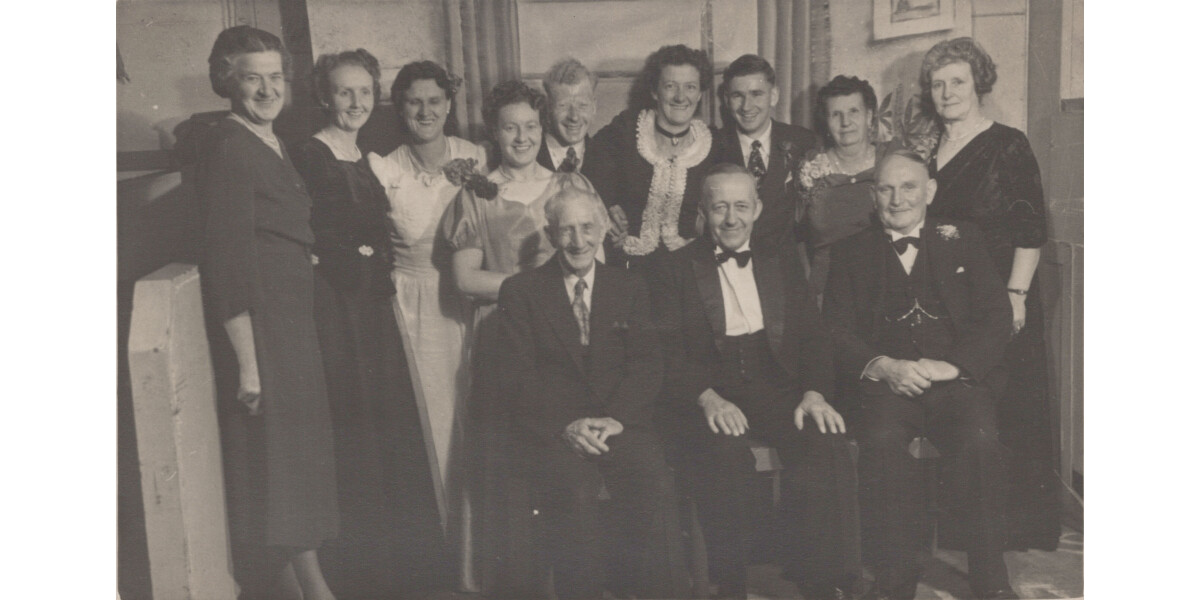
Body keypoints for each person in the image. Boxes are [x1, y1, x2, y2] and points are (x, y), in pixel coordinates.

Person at [652, 164, 864, 600]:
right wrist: (706, 398)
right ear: (703, 211)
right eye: (720, 207)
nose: (731, 219)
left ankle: (822, 581)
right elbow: (663, 350)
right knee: (725, 455)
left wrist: (814, 392)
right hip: (708, 389)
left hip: (776, 385)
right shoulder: (673, 268)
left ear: (759, 208)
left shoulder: (781, 259)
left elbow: (812, 337)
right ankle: (730, 585)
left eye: (742, 206)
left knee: (825, 442)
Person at [823, 149, 1015, 600]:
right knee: (881, 444)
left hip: (955, 384)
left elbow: (996, 316)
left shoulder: (963, 238)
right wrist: (883, 366)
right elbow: (834, 328)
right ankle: (893, 581)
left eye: (908, 187)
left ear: (929, 191)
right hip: (888, 388)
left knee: (981, 442)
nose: (897, 198)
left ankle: (992, 584)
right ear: (873, 195)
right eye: (886, 188)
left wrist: (953, 366)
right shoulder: (850, 252)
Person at [443, 80, 601, 596]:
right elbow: (466, 280)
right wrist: (532, 292)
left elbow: (594, 268)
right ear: (494, 130)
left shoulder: (572, 187)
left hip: (568, 338)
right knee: (512, 467)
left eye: (531, 126)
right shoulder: (476, 194)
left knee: (568, 459)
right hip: (503, 340)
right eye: (510, 127)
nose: (522, 136)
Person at [196, 25, 338, 600]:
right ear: (229, 81)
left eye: (275, 77)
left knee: (295, 467)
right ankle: (309, 592)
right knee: (283, 467)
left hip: (292, 324)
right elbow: (226, 265)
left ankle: (312, 588)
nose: (266, 89)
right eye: (252, 77)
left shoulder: (269, 140)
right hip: (267, 333)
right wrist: (249, 365)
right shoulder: (229, 146)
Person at [495, 187, 689, 600]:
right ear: (549, 234)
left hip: (620, 423)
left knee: (653, 480)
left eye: (587, 228)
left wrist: (617, 418)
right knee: (575, 492)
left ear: (603, 229)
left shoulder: (630, 287)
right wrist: (564, 426)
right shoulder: (521, 290)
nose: (579, 241)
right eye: (567, 230)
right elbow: (516, 378)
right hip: (554, 430)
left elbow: (647, 364)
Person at [920, 36, 1059, 550]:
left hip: (1004, 292)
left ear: (978, 83)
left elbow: (1031, 229)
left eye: (957, 81)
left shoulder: (1007, 142)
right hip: (952, 300)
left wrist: (1016, 295)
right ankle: (966, 530)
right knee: (967, 409)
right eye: (938, 84)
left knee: (1009, 409)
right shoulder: (930, 147)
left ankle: (1012, 529)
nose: (948, 92)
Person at [292, 48, 416, 595]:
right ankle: (362, 576)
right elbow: (309, 237)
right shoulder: (311, 154)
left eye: (365, 92)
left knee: (382, 425)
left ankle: (392, 571)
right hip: (338, 310)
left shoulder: (363, 153)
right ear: (324, 95)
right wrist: (357, 262)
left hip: (369, 309)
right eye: (345, 92)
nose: (356, 102)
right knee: (355, 430)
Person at [365, 59, 487, 591]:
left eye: (435, 100)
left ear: (449, 104)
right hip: (414, 309)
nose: (425, 111)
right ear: (399, 107)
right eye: (414, 101)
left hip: (473, 305)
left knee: (477, 420)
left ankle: (483, 557)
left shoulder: (475, 157)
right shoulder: (383, 168)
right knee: (433, 431)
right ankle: (441, 566)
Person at [588, 44, 716, 269]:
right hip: (629, 265)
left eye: (690, 87)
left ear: (699, 95)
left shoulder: (712, 145)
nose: (680, 97)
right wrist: (606, 207)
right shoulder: (627, 130)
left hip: (689, 269)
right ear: (655, 91)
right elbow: (590, 165)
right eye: (670, 86)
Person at [712, 54, 821, 253]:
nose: (746, 106)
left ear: (774, 96)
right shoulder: (712, 146)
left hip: (786, 268)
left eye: (756, 94)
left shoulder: (802, 142)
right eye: (738, 96)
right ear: (727, 100)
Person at [793, 75, 882, 297]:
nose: (845, 122)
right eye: (836, 114)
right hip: (826, 290)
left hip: (882, 284)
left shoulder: (891, 160)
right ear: (826, 121)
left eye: (854, 111)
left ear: (869, 116)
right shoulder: (810, 168)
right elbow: (797, 237)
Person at [537, 58, 597, 175]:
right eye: (562, 106)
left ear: (594, 107)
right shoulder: (529, 156)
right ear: (547, 108)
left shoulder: (608, 158)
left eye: (582, 105)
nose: (574, 117)